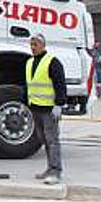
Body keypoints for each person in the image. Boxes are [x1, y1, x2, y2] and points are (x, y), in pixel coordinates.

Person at [26, 33, 67, 185]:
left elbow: (60, 84)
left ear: (43, 45)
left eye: (35, 45)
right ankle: (50, 168)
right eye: (31, 45)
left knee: (52, 140)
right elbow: (28, 85)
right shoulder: (29, 62)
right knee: (43, 139)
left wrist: (59, 104)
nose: (32, 47)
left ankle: (56, 171)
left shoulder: (52, 62)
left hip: (49, 109)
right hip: (36, 107)